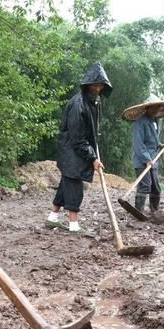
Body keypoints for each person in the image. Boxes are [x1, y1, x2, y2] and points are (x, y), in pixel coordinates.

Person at [45, 62, 112, 233]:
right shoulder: (78, 104)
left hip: (77, 149)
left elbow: (91, 134)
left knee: (66, 183)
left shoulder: (93, 102)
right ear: (88, 84)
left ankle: (52, 218)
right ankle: (74, 226)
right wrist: (93, 157)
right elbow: (77, 138)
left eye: (100, 85)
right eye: (95, 85)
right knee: (74, 184)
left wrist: (94, 153)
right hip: (71, 150)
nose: (98, 88)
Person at [131, 104, 164, 213]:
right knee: (145, 185)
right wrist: (146, 159)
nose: (155, 110)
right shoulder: (140, 123)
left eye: (158, 108)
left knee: (156, 187)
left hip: (153, 159)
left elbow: (152, 140)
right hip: (141, 160)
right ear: (146, 108)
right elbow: (138, 143)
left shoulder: (155, 122)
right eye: (153, 108)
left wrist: (160, 145)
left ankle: (154, 211)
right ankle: (138, 211)